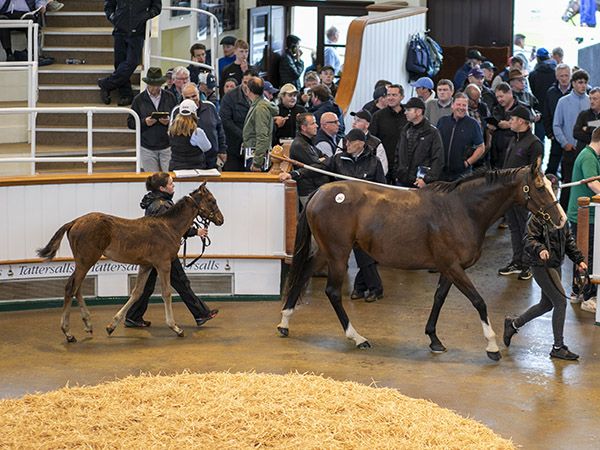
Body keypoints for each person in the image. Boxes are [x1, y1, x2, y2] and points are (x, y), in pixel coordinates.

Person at [280, 129, 386, 302]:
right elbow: (318, 169)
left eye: (350, 142)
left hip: (367, 215)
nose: (347, 145)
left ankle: (372, 287)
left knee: (364, 251)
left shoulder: (374, 162)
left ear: (361, 143)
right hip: (343, 215)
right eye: (346, 142)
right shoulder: (338, 159)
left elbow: (382, 188)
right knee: (351, 250)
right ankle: (366, 287)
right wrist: (294, 174)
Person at [503, 174, 585, 361]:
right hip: (541, 266)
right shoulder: (537, 217)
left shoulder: (560, 215)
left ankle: (513, 324)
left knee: (546, 304)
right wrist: (540, 249)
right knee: (560, 302)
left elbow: (569, 241)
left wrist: (579, 260)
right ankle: (558, 346)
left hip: (555, 265)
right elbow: (529, 239)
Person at [125, 172, 218, 328]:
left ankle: (133, 316)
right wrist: (196, 232)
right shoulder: (161, 205)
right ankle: (201, 314)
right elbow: (170, 228)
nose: (173, 185)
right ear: (162, 187)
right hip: (162, 251)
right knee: (181, 282)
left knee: (149, 286)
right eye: (170, 183)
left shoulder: (157, 202)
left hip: (155, 251)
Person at [497, 106, 543, 281]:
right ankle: (517, 261)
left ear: (523, 122)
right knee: (514, 228)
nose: (510, 121)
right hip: (508, 193)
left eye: (513, 119)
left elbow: (535, 172)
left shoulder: (534, 143)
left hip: (523, 195)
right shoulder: (514, 139)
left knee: (526, 229)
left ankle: (528, 263)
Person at [98, 0, 162, 106]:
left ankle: (106, 84)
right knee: (120, 63)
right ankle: (126, 94)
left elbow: (156, 7)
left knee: (132, 62)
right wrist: (114, 17)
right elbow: (109, 6)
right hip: (119, 30)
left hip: (138, 32)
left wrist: (144, 17)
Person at [567, 127, 600, 310]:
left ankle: (576, 292)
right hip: (586, 216)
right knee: (588, 256)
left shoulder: (592, 156)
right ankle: (587, 297)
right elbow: (593, 184)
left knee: (581, 254)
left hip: (584, 215)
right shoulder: (588, 157)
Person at [553, 69, 591, 211]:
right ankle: (562, 215)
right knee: (568, 183)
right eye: (580, 82)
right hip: (570, 149)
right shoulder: (563, 102)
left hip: (587, 150)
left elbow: (595, 125)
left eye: (585, 83)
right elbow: (557, 124)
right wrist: (565, 143)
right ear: (573, 83)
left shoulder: (590, 101)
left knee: (587, 183)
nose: (583, 86)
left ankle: (584, 214)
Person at [128, 67, 177, 172]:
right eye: (152, 85)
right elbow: (130, 122)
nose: (155, 88)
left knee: (170, 176)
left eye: (157, 85)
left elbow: (177, 118)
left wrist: (169, 122)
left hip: (167, 145)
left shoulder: (170, 97)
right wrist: (144, 122)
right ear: (147, 84)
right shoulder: (139, 100)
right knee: (153, 180)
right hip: (147, 147)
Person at [174, 83, 226, 170]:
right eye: (187, 97)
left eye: (194, 96)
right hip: (186, 161)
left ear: (199, 94)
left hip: (211, 159)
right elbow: (172, 135)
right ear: (182, 97)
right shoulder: (176, 111)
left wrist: (222, 150)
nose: (191, 99)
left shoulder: (210, 107)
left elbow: (219, 129)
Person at [395, 97, 443, 188]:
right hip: (402, 180)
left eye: (409, 110)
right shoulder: (405, 130)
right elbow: (398, 153)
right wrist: (397, 174)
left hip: (421, 183)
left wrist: (427, 180)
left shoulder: (432, 132)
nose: (405, 113)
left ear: (418, 112)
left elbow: (437, 159)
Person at [436, 93, 485, 181]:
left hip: (462, 174)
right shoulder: (442, 121)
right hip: (441, 172)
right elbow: (435, 144)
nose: (461, 108)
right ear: (452, 105)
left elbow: (481, 148)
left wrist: (467, 163)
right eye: (458, 104)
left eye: (464, 105)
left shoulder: (473, 124)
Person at [219, 69, 256, 171]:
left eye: (250, 83)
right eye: (245, 82)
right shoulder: (229, 97)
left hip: (253, 148)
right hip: (233, 147)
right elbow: (225, 120)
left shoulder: (260, 96)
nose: (247, 86)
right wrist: (244, 134)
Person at [370, 84, 407, 183]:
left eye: (394, 95)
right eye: (388, 95)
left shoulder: (408, 115)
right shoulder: (378, 116)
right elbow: (371, 141)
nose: (390, 98)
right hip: (383, 164)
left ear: (402, 97)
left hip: (404, 165)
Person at [241, 76, 278, 171]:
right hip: (256, 154)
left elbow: (262, 136)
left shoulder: (260, 108)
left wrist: (257, 163)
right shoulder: (258, 105)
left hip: (256, 157)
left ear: (248, 90)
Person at [543, 63, 571, 176]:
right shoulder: (551, 92)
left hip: (573, 137)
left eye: (566, 75)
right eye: (561, 76)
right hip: (556, 135)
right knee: (552, 167)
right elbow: (547, 114)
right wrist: (550, 133)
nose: (564, 79)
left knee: (568, 169)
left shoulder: (578, 92)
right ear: (557, 77)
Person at [167, 99, 212, 170]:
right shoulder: (197, 132)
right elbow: (207, 147)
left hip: (176, 169)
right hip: (194, 169)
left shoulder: (172, 130)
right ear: (194, 113)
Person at [350, 109, 388, 176]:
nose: (354, 122)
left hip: (367, 183)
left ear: (367, 125)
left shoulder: (376, 144)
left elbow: (383, 169)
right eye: (354, 119)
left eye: (358, 120)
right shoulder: (344, 140)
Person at [573, 87, 600, 151]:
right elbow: (576, 133)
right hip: (584, 151)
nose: (591, 101)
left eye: (595, 99)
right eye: (590, 98)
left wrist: (587, 128)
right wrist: (595, 138)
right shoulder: (583, 114)